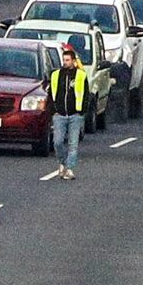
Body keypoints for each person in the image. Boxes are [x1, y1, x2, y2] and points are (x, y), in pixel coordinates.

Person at [43, 34, 93, 180]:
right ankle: (62, 163)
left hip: (75, 115)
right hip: (59, 115)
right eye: (63, 60)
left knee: (73, 144)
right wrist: (53, 111)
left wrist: (82, 111)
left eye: (67, 60)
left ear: (73, 61)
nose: (65, 62)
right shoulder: (56, 75)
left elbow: (86, 95)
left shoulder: (80, 76)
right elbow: (51, 94)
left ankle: (70, 168)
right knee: (57, 142)